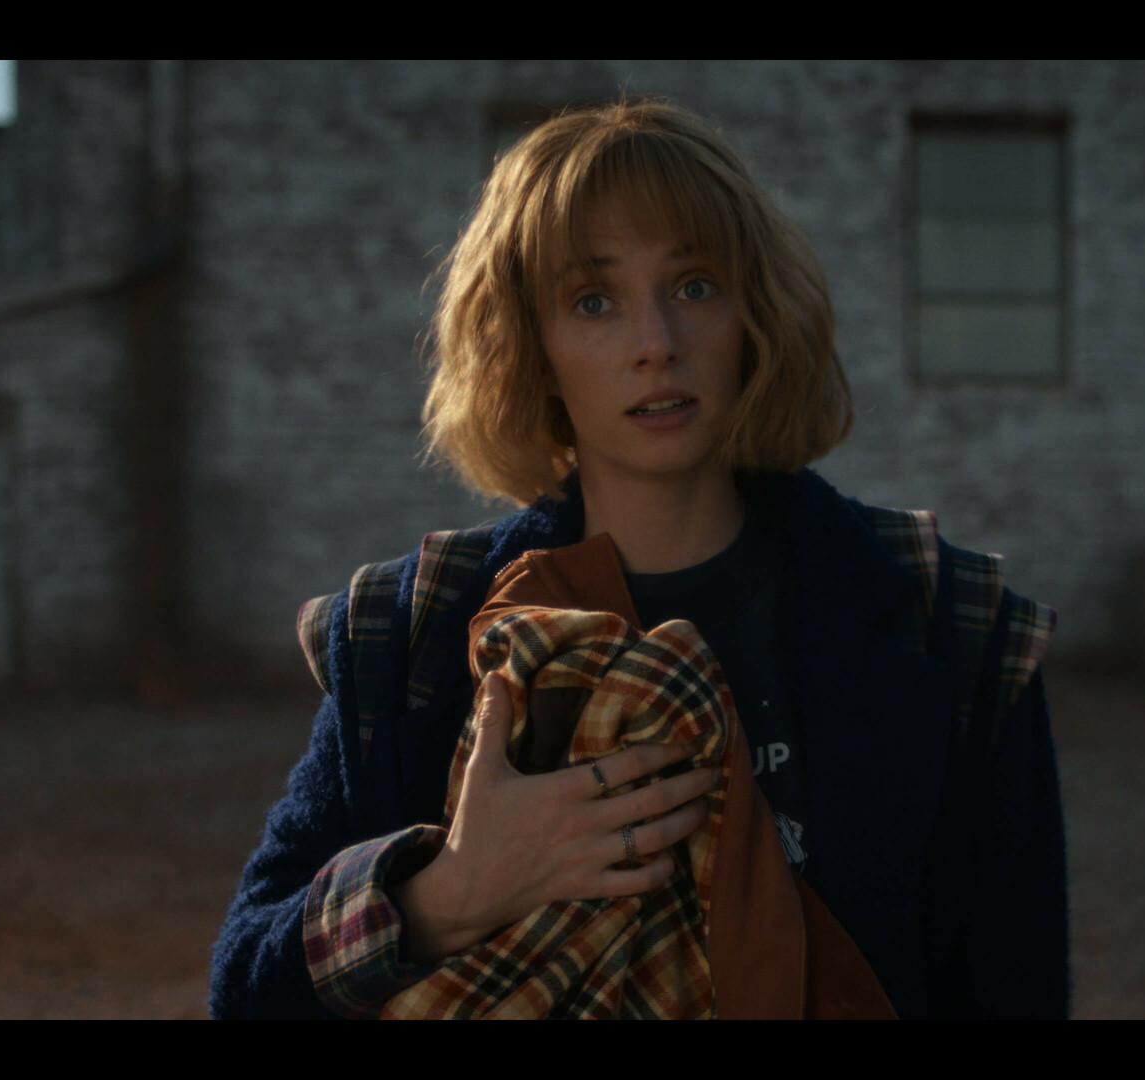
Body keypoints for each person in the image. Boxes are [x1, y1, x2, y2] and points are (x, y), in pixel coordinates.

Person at [209, 98, 1068, 1020]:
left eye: (695, 286)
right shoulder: (412, 630)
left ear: (755, 314)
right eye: (594, 301)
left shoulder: (949, 621)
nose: (656, 344)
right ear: (531, 349)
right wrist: (448, 894)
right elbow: (245, 992)